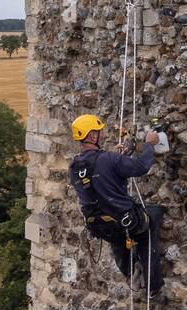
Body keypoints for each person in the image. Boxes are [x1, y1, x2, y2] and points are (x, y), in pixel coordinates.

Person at [69, 114, 164, 299]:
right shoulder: (109, 159)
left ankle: (130, 273)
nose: (103, 135)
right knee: (149, 223)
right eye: (99, 132)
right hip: (124, 220)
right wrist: (149, 144)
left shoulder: (74, 166)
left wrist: (114, 158)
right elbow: (140, 167)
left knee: (116, 236)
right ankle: (153, 286)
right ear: (91, 136)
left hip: (98, 224)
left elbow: (97, 177)